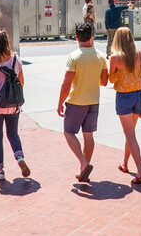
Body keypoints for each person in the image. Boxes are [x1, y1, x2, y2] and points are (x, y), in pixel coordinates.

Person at [57, 23, 108, 183]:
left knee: (68, 132)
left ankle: (83, 163)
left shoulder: (74, 57)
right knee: (88, 135)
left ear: (76, 37)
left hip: (77, 101)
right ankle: (83, 169)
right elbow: (104, 82)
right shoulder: (100, 56)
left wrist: (60, 103)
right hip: (94, 100)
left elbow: (66, 84)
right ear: (92, 36)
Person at [0, 29, 30, 180]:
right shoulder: (16, 59)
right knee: (13, 133)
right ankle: (20, 157)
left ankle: (0, 170)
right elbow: (21, 82)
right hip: (13, 105)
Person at [107, 27, 141, 183]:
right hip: (138, 96)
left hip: (124, 97)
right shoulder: (139, 54)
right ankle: (125, 163)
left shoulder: (115, 57)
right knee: (130, 133)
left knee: (130, 134)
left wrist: (119, 72)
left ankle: (140, 169)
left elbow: (111, 80)